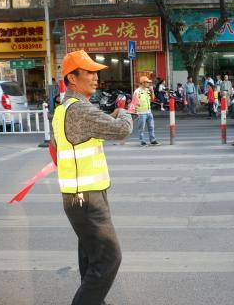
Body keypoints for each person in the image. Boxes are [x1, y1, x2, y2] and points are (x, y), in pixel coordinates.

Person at [51, 50, 133, 305]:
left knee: (91, 258)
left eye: (95, 72)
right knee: (109, 258)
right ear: (72, 78)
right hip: (86, 199)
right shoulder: (80, 110)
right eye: (89, 72)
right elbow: (122, 130)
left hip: (78, 196)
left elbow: (60, 145)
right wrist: (124, 112)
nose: (95, 78)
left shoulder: (64, 109)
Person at [134, 76, 160, 146]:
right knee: (141, 128)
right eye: (147, 82)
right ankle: (142, 141)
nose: (149, 84)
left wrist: (152, 91)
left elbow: (153, 99)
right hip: (141, 113)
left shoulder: (147, 90)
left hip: (149, 112)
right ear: (143, 83)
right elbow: (135, 101)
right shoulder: (137, 91)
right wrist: (137, 106)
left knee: (151, 127)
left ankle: (152, 140)